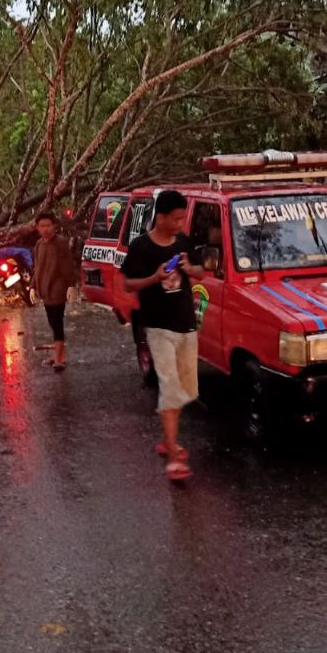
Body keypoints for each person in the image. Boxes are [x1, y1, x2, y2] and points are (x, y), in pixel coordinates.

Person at [121, 190, 205, 483]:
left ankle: (168, 438)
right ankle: (172, 458)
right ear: (161, 217)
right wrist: (154, 278)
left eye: (183, 218)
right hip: (158, 326)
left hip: (186, 324)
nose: (182, 223)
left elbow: (201, 273)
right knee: (170, 386)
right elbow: (128, 285)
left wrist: (188, 267)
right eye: (177, 218)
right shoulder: (141, 247)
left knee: (184, 388)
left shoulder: (182, 242)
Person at [33, 211, 77, 372]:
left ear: (55, 226)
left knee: (57, 323)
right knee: (52, 322)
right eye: (42, 226)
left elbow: (68, 266)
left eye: (48, 225)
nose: (45, 229)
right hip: (45, 290)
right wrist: (32, 287)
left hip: (57, 289)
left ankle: (59, 359)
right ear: (37, 228)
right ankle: (59, 354)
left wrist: (71, 285)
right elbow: (37, 268)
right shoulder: (39, 244)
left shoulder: (61, 243)